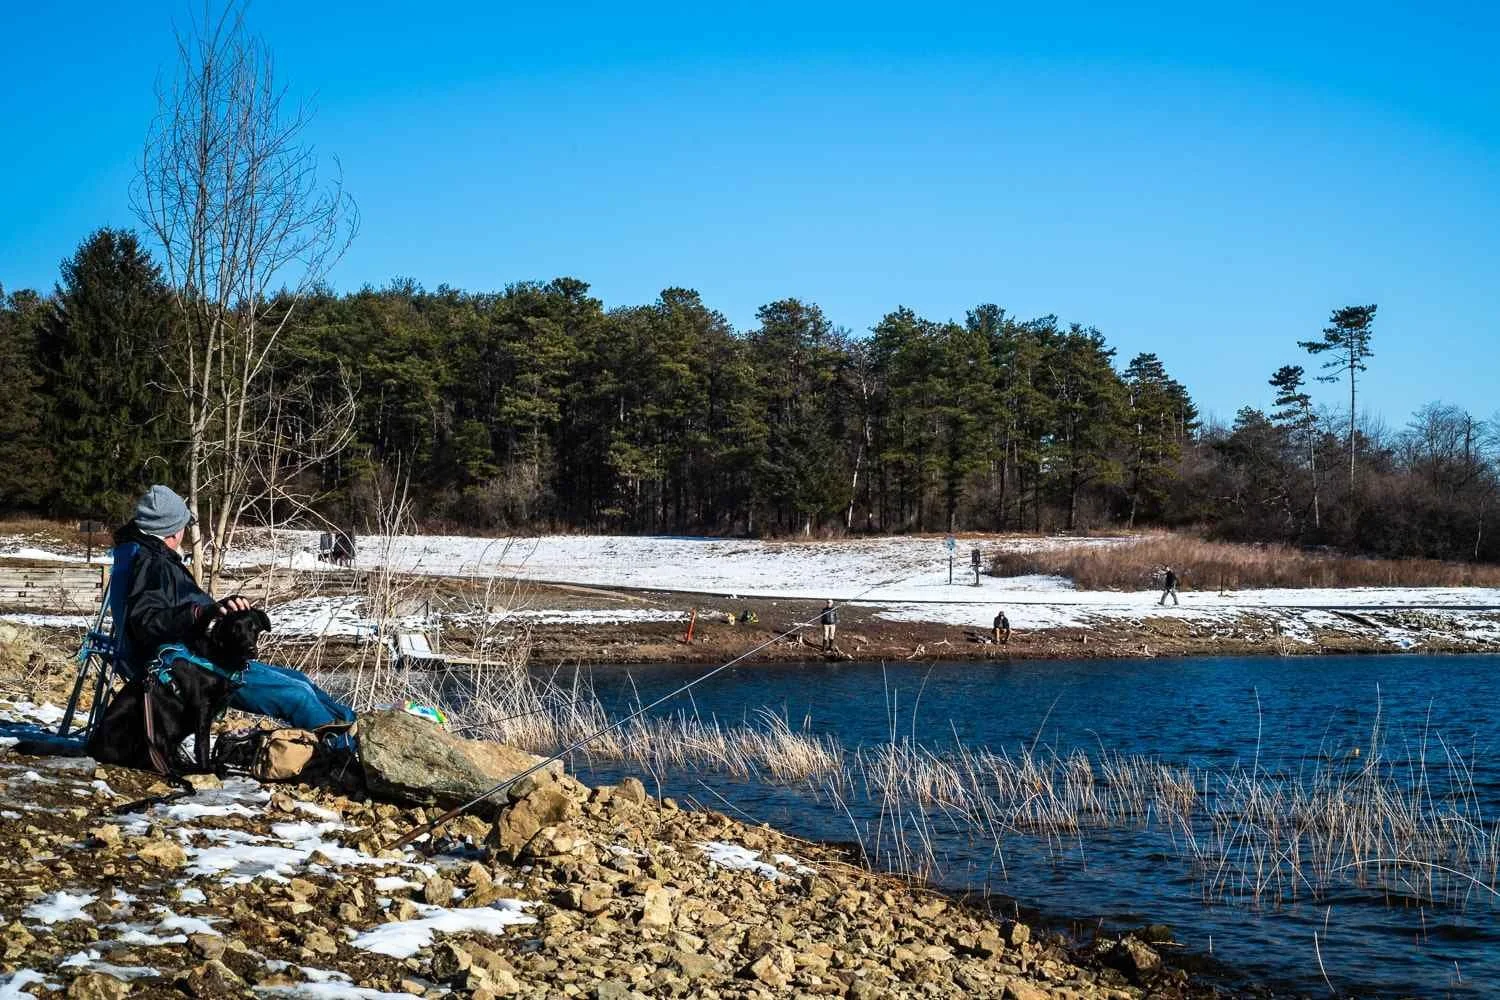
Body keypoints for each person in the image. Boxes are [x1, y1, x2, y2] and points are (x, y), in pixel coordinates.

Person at [112, 485, 355, 731]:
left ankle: (355, 729)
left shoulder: (147, 556)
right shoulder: (152, 565)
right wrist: (200, 613)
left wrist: (222, 609)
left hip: (205, 653)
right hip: (192, 667)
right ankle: (343, 755)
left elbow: (174, 609)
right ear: (173, 532)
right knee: (298, 696)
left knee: (302, 681)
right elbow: (147, 621)